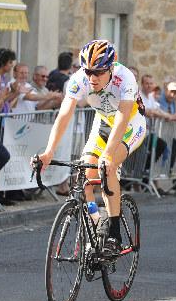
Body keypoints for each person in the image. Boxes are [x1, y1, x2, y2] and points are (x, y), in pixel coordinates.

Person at [35, 39, 146, 257]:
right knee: (84, 174)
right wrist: (49, 151)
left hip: (130, 124)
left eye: (98, 72)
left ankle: (114, 233)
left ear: (111, 68)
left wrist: (107, 154)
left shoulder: (125, 78)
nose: (92, 78)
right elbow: (65, 114)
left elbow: (123, 119)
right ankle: (97, 223)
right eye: (88, 72)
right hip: (103, 122)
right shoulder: (79, 80)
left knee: (109, 165)